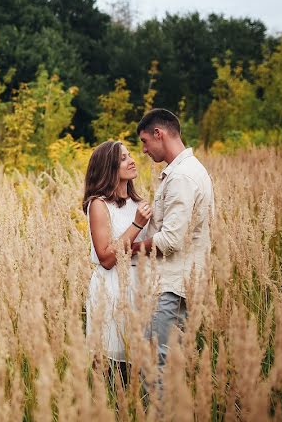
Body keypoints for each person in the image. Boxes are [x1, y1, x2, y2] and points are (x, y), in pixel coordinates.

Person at [132, 108, 214, 378]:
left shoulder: (181, 177)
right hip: (181, 283)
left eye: (144, 141)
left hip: (172, 287)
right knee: (169, 369)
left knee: (155, 368)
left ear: (159, 133)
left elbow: (171, 240)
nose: (143, 150)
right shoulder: (187, 170)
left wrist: (128, 250)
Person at [83, 140, 152, 383]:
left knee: (142, 365)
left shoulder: (139, 203)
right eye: (123, 158)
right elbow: (106, 258)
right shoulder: (99, 204)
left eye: (130, 155)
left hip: (141, 286)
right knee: (112, 369)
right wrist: (137, 225)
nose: (131, 160)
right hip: (112, 287)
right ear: (108, 167)